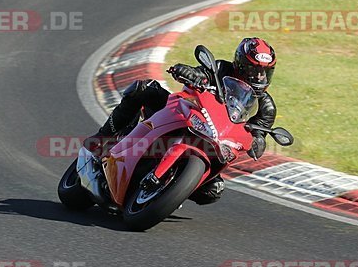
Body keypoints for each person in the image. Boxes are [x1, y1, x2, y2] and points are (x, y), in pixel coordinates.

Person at [85, 37, 277, 205]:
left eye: (265, 72)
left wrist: (258, 142)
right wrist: (190, 73)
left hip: (216, 142)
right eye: (254, 69)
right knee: (144, 89)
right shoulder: (220, 68)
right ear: (241, 64)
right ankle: (104, 137)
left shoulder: (266, 107)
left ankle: (167, 191)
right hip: (187, 114)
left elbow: (259, 133)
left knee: (213, 191)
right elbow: (201, 73)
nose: (259, 77)